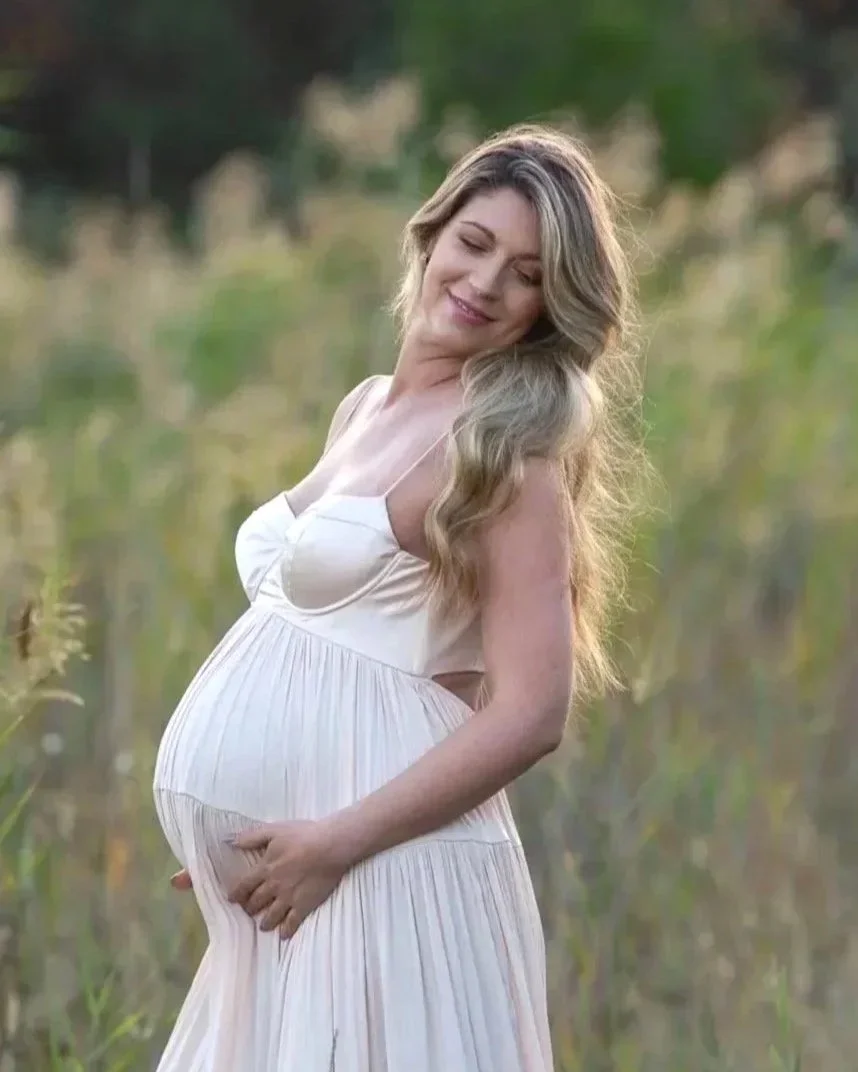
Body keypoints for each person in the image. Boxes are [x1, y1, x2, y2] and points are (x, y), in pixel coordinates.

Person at [152, 122, 645, 1070]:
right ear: (431, 232)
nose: (486, 283)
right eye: (475, 242)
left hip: (384, 873)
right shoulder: (366, 406)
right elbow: (369, 655)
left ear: (550, 308)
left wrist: (336, 840)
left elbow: (531, 711)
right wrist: (245, 818)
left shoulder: (503, 454)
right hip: (300, 882)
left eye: (527, 274)